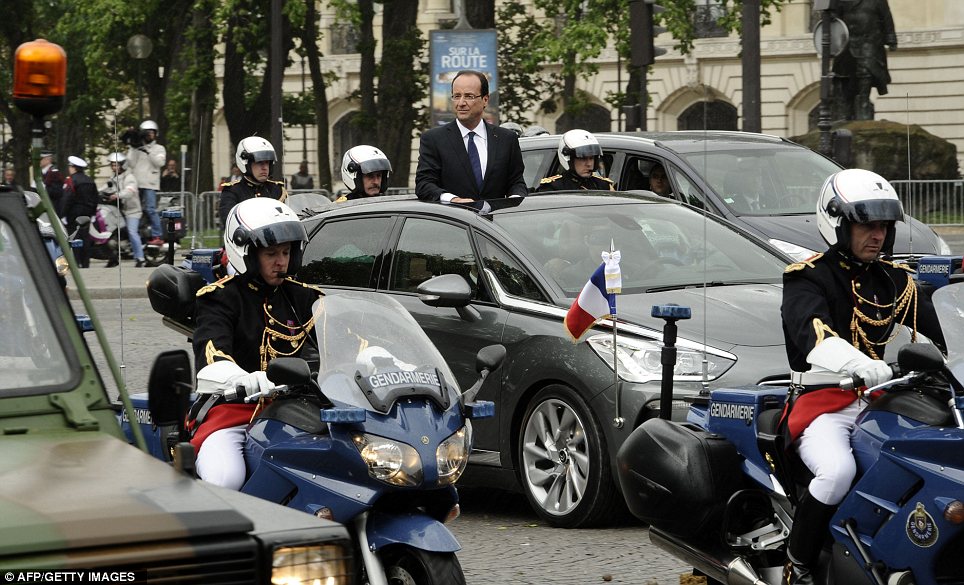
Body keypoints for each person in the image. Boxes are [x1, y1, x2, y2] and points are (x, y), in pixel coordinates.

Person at [779, 168, 944, 585]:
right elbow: (812, 334)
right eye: (866, 225)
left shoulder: (896, 280)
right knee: (837, 472)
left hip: (883, 400)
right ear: (838, 224)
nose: (877, 235)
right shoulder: (808, 277)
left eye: (884, 227)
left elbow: (942, 341)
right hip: (825, 405)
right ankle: (797, 564)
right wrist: (857, 363)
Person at [187, 198, 323, 490]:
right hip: (235, 413)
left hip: (300, 415)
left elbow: (346, 338)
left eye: (287, 252)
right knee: (225, 478)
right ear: (245, 252)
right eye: (271, 253)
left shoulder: (306, 298)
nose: (282, 262)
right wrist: (245, 380)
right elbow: (212, 355)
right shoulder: (220, 298)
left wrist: (377, 355)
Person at [415, 69, 527, 204]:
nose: (461, 103)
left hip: (495, 222)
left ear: (485, 100)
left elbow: (516, 182)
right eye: (456, 96)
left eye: (469, 96)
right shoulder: (434, 139)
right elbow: (424, 184)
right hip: (453, 221)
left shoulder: (507, 139)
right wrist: (453, 199)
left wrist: (514, 201)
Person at [832, 0, 897, 121]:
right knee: (844, 77)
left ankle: (864, 106)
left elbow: (887, 17)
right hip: (847, 42)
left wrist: (891, 38)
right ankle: (846, 113)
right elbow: (835, 18)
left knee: (866, 72)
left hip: (870, 41)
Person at [217, 136, 288, 230]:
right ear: (246, 164)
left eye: (267, 163)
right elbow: (229, 221)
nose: (264, 167)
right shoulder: (233, 191)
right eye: (259, 163)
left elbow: (288, 219)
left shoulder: (277, 189)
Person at [126, 120, 166, 246]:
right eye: (146, 133)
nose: (149, 135)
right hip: (137, 184)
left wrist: (148, 151)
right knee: (137, 212)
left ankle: (157, 234)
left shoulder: (159, 148)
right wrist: (133, 147)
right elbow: (130, 163)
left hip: (150, 185)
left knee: (150, 209)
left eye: (151, 133)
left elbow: (159, 163)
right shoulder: (138, 148)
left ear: (155, 134)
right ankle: (138, 235)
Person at [103, 152, 146, 268]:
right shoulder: (113, 178)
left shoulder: (129, 177)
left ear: (123, 165)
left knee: (132, 232)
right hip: (120, 211)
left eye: (116, 165)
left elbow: (129, 191)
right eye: (112, 165)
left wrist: (117, 195)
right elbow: (106, 187)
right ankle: (113, 258)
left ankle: (140, 258)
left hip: (132, 211)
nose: (114, 167)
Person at [536, 130, 614, 192]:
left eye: (591, 158)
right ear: (569, 159)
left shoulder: (604, 186)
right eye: (583, 158)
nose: (589, 164)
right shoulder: (553, 187)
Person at [61, 156, 99, 268]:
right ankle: (86, 262)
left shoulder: (71, 180)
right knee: (85, 237)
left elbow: (68, 198)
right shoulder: (90, 180)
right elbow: (95, 198)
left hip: (74, 213)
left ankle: (77, 262)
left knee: (75, 237)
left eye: (70, 166)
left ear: (74, 168)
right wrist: (93, 213)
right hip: (87, 212)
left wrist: (63, 214)